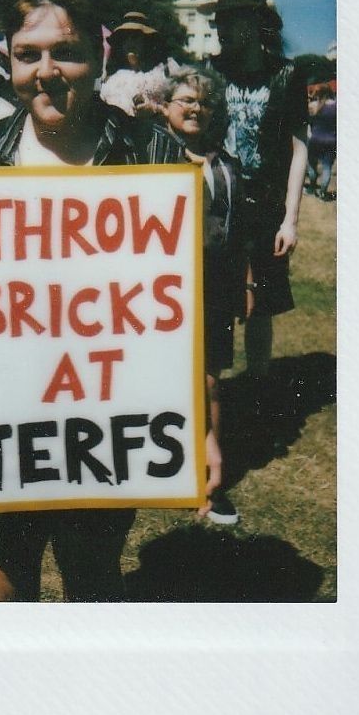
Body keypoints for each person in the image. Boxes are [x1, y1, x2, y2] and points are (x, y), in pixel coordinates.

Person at [0, 0, 197, 602]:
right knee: (10, 551)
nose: (45, 72)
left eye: (65, 52)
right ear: (11, 62)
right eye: (28, 54)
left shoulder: (148, 149)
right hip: (7, 390)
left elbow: (178, 285)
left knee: (92, 558)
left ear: (100, 60)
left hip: (110, 395)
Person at [197, 0, 308, 397]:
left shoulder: (287, 74)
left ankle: (259, 388)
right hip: (219, 203)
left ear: (256, 24)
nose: (221, 27)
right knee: (217, 299)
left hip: (265, 206)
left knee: (262, 302)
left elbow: (300, 147)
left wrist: (290, 219)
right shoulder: (212, 70)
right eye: (219, 20)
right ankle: (213, 391)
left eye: (231, 19)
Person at [150, 66, 244, 525]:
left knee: (209, 381)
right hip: (160, 290)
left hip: (215, 288)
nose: (194, 108)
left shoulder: (227, 165)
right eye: (184, 99)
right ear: (165, 108)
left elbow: (237, 233)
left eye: (203, 102)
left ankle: (211, 479)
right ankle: (166, 468)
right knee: (162, 377)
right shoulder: (149, 159)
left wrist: (244, 284)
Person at [99, 11, 168, 117]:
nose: (131, 43)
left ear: (146, 42)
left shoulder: (161, 75)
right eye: (126, 38)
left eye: (136, 38)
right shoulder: (112, 79)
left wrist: (155, 108)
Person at [305, 79, 336, 200]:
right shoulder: (338, 107)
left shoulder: (313, 106)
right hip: (331, 141)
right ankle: (323, 193)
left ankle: (312, 188)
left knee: (312, 165)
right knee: (327, 167)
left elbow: (308, 121)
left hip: (315, 140)